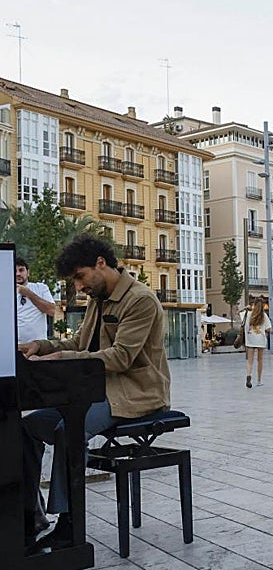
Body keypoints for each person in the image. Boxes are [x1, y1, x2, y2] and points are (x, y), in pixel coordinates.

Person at [21, 235, 170, 551]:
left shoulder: (140, 300)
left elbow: (120, 357)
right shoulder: (97, 301)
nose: (78, 287)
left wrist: (60, 359)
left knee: (68, 431)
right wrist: (42, 346)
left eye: (80, 276)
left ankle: (68, 526)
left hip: (135, 393)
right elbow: (79, 345)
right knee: (26, 428)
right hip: (93, 392)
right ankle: (28, 515)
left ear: (100, 263)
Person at [15, 257, 56, 344]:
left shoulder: (41, 288)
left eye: (21, 270)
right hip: (14, 346)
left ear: (28, 272)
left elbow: (51, 311)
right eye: (14, 271)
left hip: (39, 346)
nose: (18, 274)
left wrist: (28, 293)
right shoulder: (4, 293)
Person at [244, 298, 271, 387]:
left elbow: (239, 316)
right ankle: (259, 380)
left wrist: (246, 308)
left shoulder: (249, 314)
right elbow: (268, 329)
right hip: (260, 339)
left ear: (254, 304)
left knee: (249, 361)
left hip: (250, 339)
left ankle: (248, 376)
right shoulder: (264, 315)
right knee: (260, 360)